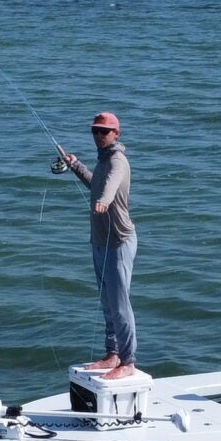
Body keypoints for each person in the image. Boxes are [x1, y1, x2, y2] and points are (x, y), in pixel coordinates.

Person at [55, 111, 137, 380]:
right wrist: (76, 164)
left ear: (117, 134)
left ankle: (128, 361)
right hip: (100, 240)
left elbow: (110, 185)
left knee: (120, 303)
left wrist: (104, 200)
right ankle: (112, 353)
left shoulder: (117, 161)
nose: (99, 136)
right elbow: (96, 184)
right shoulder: (103, 161)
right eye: (95, 131)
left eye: (105, 131)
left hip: (119, 241)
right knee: (107, 302)